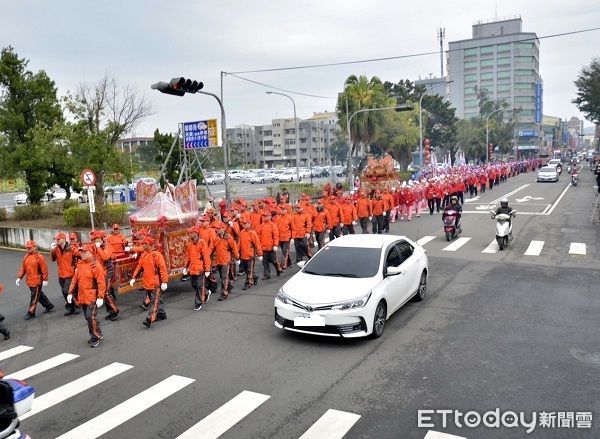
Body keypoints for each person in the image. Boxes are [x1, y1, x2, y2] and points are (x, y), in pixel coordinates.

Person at [67, 244, 106, 348]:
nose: (82, 254)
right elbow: (74, 280)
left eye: (84, 252)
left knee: (90, 316)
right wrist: (70, 292)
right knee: (88, 317)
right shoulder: (79, 265)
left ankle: (95, 337)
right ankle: (98, 333)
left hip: (92, 297)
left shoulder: (95, 266)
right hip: (83, 297)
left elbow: (101, 282)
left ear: (90, 253)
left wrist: (100, 297)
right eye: (81, 252)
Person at [130, 236, 169, 328]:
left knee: (154, 301)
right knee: (157, 299)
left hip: (155, 283)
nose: (143, 245)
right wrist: (133, 277)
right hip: (147, 283)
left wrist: (164, 281)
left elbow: (163, 268)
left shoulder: (157, 255)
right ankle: (162, 314)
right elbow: (139, 267)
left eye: (145, 244)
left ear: (150, 244)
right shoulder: (143, 255)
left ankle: (150, 319)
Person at [17, 240, 54, 320]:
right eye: (27, 248)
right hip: (30, 281)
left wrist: (45, 279)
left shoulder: (39, 257)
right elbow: (23, 268)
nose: (28, 249)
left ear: (34, 247)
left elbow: (44, 269)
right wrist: (19, 277)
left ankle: (31, 312)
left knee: (34, 297)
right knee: (38, 295)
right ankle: (48, 305)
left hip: (37, 281)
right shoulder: (26, 257)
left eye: (30, 247)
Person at [183, 226, 212, 311]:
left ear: (196, 233)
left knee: (199, 285)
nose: (189, 234)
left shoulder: (202, 243)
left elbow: (206, 257)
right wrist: (185, 267)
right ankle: (206, 292)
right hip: (192, 269)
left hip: (200, 269)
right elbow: (187, 257)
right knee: (194, 285)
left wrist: (207, 269)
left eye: (191, 232)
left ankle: (198, 303)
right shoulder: (190, 244)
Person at [50, 232, 78, 316]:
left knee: (67, 290)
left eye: (58, 239)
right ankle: (70, 308)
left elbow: (78, 254)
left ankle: (76, 305)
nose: (56, 241)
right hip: (61, 274)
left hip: (69, 274)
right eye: (56, 239)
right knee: (64, 291)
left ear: (63, 239)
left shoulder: (70, 248)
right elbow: (53, 259)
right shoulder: (56, 248)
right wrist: (52, 251)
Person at [213, 221, 239, 301]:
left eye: (218, 228)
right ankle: (229, 286)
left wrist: (237, 257)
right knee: (222, 276)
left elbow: (234, 248)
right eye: (216, 228)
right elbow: (212, 248)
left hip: (226, 261)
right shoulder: (216, 238)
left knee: (224, 277)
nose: (216, 230)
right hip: (218, 260)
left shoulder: (229, 238)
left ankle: (224, 293)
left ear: (223, 229)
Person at [258, 211, 281, 279]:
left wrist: (276, 245)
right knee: (265, 262)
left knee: (273, 261)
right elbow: (259, 236)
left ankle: (278, 269)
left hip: (271, 247)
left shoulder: (273, 225)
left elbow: (276, 236)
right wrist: (259, 247)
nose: (265, 217)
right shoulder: (261, 226)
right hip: (263, 247)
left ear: (270, 216)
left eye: (266, 216)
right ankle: (266, 275)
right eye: (264, 216)